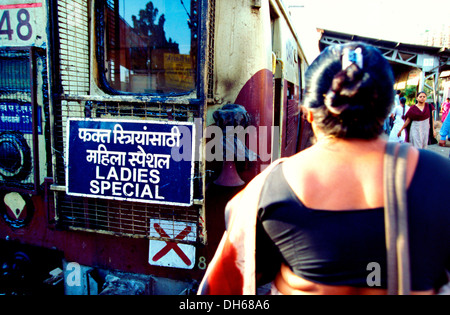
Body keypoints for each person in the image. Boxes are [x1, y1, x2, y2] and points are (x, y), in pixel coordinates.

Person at [198, 42, 450, 295]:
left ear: (307, 113)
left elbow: (219, 291)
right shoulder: (441, 177)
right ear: (388, 110)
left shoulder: (266, 191)